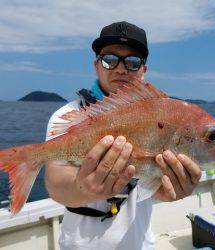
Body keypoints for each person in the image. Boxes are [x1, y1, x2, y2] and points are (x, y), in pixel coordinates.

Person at [45, 21, 201, 250]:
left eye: (132, 62)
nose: (120, 69)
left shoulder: (161, 115)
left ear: (143, 70)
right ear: (96, 65)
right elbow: (55, 181)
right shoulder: (68, 116)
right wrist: (82, 188)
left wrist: (169, 189)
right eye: (109, 60)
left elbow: (151, 184)